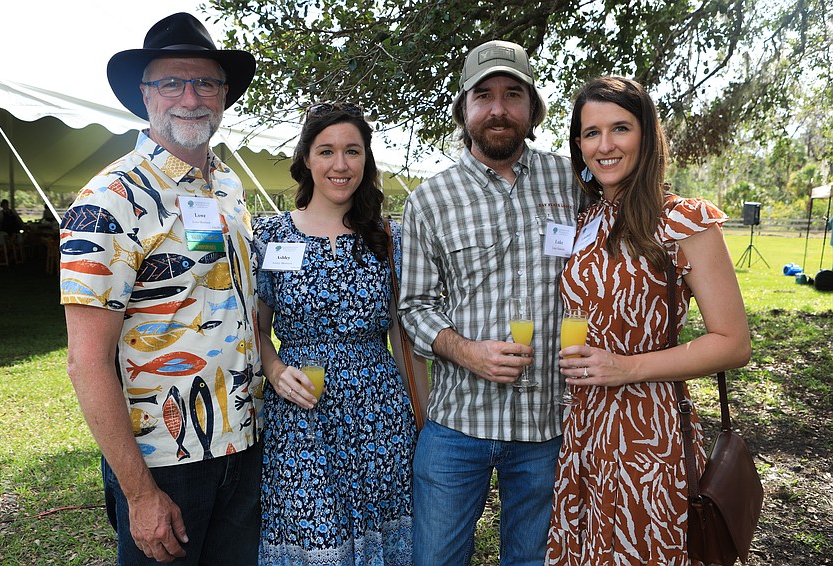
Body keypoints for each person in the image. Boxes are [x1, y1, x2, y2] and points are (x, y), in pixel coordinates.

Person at [60, 13, 262, 565]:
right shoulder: (109, 200)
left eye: (206, 83)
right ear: (145, 95)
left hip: (244, 438)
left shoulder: (227, 185)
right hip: (164, 458)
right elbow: (86, 362)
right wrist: (140, 493)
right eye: (171, 83)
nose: (190, 98)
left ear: (224, 95)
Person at [545, 76, 752, 564]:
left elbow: (734, 342)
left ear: (646, 135)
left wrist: (626, 367)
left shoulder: (683, 221)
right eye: (591, 133)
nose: (605, 145)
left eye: (620, 128)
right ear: (579, 146)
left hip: (649, 429)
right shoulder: (583, 222)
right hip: (584, 426)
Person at [398, 40, 586, 565]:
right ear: (463, 108)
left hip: (549, 422)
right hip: (459, 422)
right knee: (436, 560)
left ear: (533, 110)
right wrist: (468, 352)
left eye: (512, 94)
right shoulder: (429, 200)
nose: (498, 109)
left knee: (533, 560)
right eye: (483, 95)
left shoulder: (573, 182)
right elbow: (414, 308)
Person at [253, 102, 415, 564]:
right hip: (302, 415)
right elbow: (256, 329)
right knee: (314, 537)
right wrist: (275, 370)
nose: (340, 165)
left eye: (352, 151)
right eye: (326, 151)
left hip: (380, 417)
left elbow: (404, 340)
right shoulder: (271, 236)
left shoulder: (388, 237)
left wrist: (421, 423)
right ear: (306, 158)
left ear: (366, 159)